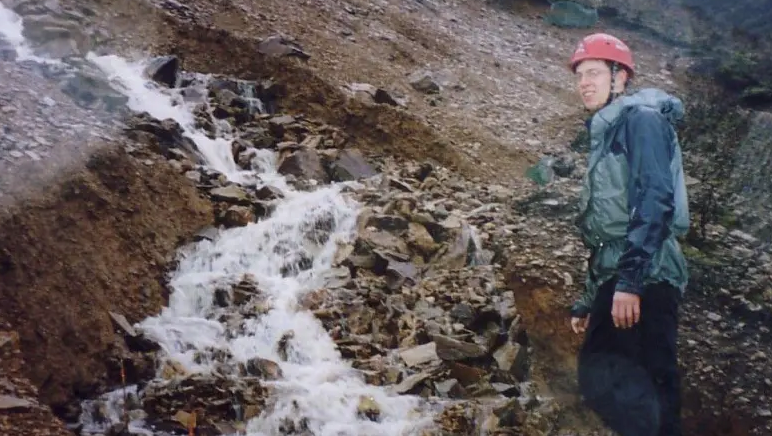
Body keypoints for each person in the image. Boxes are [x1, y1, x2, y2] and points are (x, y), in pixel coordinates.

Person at [567, 33, 690, 436]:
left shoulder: (641, 120)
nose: (584, 82)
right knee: (613, 378)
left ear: (620, 77)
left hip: (646, 275)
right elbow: (605, 228)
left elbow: (655, 197)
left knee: (645, 384)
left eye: (594, 72)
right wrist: (589, 299)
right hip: (622, 273)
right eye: (580, 74)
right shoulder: (607, 134)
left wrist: (631, 280)